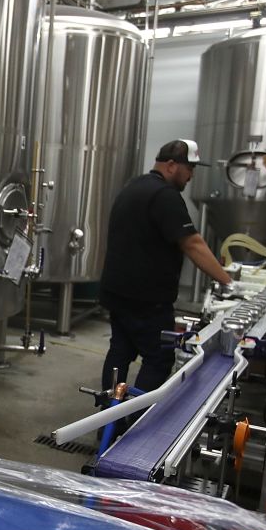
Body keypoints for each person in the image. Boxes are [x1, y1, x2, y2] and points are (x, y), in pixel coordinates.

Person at [98, 139, 232, 396]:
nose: (191, 175)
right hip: (147, 301)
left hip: (118, 293)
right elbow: (193, 244)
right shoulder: (165, 196)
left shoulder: (132, 187)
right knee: (158, 359)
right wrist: (228, 283)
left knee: (120, 352)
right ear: (171, 165)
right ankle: (137, 425)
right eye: (189, 168)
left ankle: (108, 419)